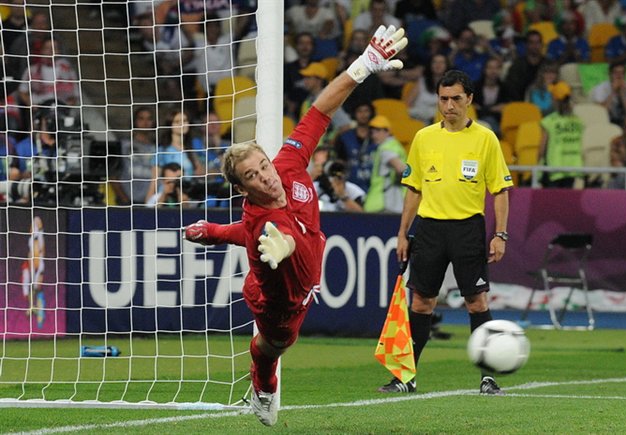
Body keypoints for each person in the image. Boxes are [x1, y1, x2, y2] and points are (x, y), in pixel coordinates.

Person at [184, 24, 408, 426]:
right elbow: (281, 240)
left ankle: (212, 233)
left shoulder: (287, 164)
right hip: (279, 301)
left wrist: (363, 65)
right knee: (269, 348)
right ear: (242, 189)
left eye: (263, 165)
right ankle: (263, 388)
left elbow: (320, 110)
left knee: (260, 241)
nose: (265, 176)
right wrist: (279, 246)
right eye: (252, 176)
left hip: (300, 263)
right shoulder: (260, 222)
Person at [378, 69, 513, 395]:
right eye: (443, 98)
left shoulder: (485, 139)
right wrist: (402, 233)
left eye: (455, 98)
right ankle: (406, 378)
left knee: (476, 302)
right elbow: (413, 190)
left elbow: (500, 191)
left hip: (468, 228)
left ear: (469, 99)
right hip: (430, 229)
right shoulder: (424, 138)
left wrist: (500, 235)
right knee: (422, 303)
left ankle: (488, 376)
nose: (449, 105)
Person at [538, 81, 584, 188]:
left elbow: (541, 150)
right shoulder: (578, 121)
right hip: (572, 168)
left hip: (554, 169)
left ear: (554, 100)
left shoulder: (549, 121)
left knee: (551, 203)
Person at [363, 115, 407, 213]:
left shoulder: (386, 149)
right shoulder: (395, 145)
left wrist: (398, 179)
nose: (374, 135)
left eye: (378, 131)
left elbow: (401, 169)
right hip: (392, 202)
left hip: (385, 202)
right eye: (372, 132)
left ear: (387, 131)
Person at [591, 61, 626, 127]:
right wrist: (613, 92)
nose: (619, 76)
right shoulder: (600, 88)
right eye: (616, 73)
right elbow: (601, 112)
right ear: (610, 74)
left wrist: (623, 93)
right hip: (607, 121)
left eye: (622, 73)